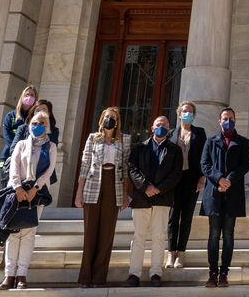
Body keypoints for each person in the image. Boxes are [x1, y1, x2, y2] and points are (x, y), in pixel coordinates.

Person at [0, 109, 55, 290]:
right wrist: (18, 188)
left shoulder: (51, 147)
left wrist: (35, 188)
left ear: (47, 127)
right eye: (35, 123)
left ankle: (22, 274)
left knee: (29, 234)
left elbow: (49, 171)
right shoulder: (22, 144)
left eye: (42, 124)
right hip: (16, 191)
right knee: (13, 233)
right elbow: (13, 166)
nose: (38, 127)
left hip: (37, 194)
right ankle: (9, 275)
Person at [76, 106, 129, 288]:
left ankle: (99, 277)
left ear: (117, 122)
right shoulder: (92, 138)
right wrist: (78, 193)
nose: (109, 120)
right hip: (93, 185)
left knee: (106, 233)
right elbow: (84, 165)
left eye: (113, 117)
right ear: (101, 120)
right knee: (90, 232)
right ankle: (85, 277)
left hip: (113, 185)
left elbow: (126, 169)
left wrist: (125, 194)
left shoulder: (124, 140)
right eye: (107, 117)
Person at [126, 116, 182, 288]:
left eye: (165, 125)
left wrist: (159, 188)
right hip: (142, 198)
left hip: (162, 199)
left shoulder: (175, 150)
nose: (161, 127)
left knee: (159, 237)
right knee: (139, 237)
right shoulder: (138, 147)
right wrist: (146, 187)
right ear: (152, 128)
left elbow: (176, 174)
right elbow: (132, 169)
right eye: (158, 125)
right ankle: (134, 274)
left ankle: (156, 273)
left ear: (169, 128)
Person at [200, 107, 249, 288]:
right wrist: (219, 179)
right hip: (213, 193)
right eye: (224, 118)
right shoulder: (211, 141)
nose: (228, 121)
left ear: (235, 120)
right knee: (214, 234)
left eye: (231, 118)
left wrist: (228, 180)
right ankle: (212, 273)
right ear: (219, 121)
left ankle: (224, 273)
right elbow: (204, 164)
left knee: (228, 234)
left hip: (233, 193)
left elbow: (244, 165)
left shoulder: (243, 142)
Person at [167, 102, 207, 270]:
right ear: (179, 114)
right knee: (173, 218)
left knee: (187, 217)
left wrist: (202, 179)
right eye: (184, 111)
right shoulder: (171, 134)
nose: (187, 114)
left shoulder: (200, 133)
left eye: (190, 112)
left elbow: (205, 157)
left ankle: (181, 253)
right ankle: (171, 253)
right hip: (175, 181)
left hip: (192, 180)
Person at [0, 85, 38, 177]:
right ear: (22, 97)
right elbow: (7, 136)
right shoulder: (10, 116)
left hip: (27, 157)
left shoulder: (36, 118)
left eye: (32, 95)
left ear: (35, 99)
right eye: (27, 94)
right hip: (8, 155)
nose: (29, 97)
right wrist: (16, 150)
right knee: (5, 180)